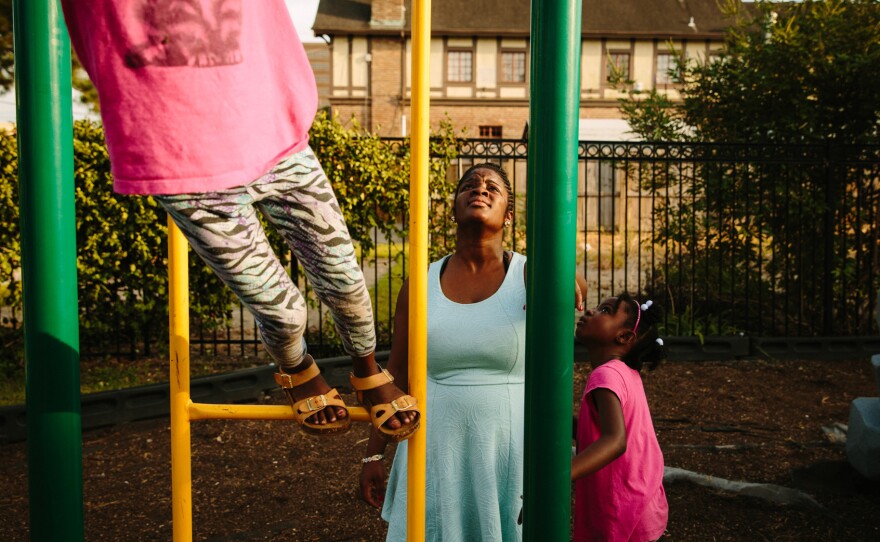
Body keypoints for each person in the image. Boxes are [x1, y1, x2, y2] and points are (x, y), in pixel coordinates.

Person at [59, 0, 419, 439]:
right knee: (284, 314)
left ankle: (366, 369)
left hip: (274, 135)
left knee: (348, 286)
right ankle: (296, 366)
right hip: (182, 162)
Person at [358, 163, 586, 541]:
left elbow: (575, 286)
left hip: (506, 446)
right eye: (469, 184)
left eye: (492, 186)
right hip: (434, 446)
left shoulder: (530, 274)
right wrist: (373, 454)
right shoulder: (421, 283)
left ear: (509, 215)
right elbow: (395, 376)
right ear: (454, 208)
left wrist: (562, 272)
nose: (479, 188)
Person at [572, 294, 669, 541]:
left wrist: (557, 476)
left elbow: (615, 440)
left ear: (624, 337)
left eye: (605, 310)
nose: (592, 312)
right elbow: (596, 426)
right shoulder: (624, 373)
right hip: (642, 502)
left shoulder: (605, 376)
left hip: (623, 508)